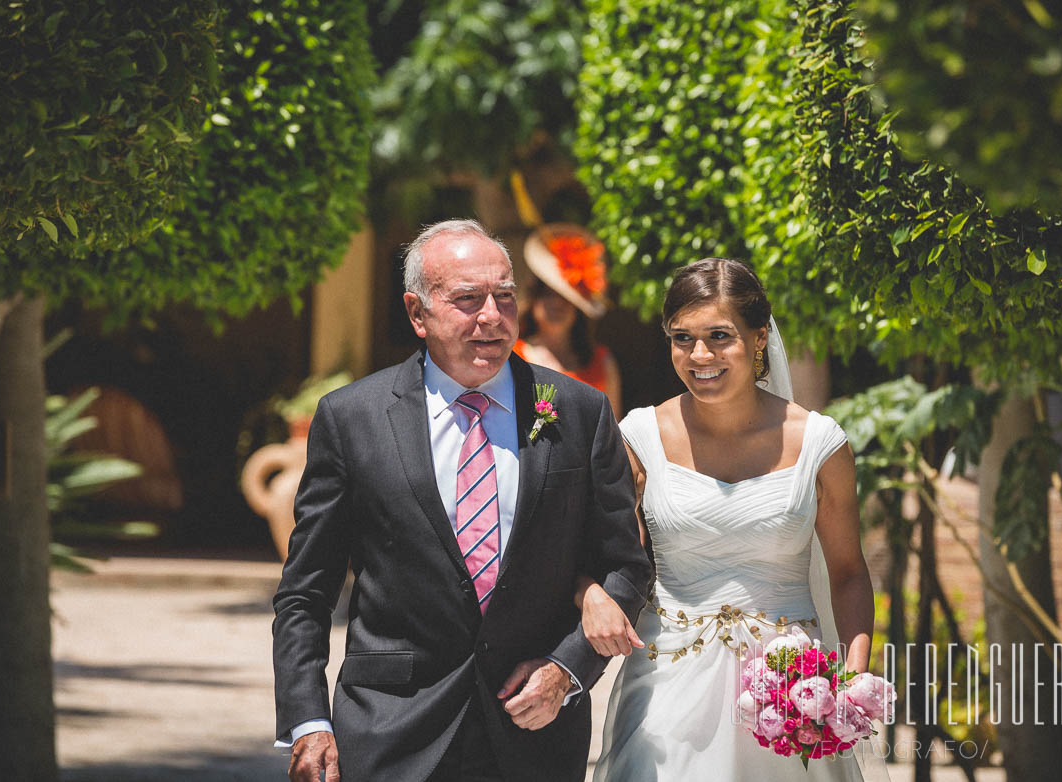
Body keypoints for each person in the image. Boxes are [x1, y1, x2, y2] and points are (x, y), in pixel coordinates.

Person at [272, 219, 653, 782]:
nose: (492, 317)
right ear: (416, 313)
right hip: (390, 731)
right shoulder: (352, 418)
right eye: (468, 300)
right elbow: (306, 591)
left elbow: (626, 564)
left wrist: (567, 671)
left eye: (504, 297)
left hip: (532, 737)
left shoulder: (577, 410)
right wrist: (308, 719)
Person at [578, 258, 876, 781]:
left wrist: (851, 678)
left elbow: (849, 572)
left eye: (720, 336)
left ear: (760, 338)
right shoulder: (640, 437)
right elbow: (589, 549)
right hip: (667, 687)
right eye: (682, 337)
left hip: (791, 692)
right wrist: (591, 594)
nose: (700, 355)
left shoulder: (821, 444)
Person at [514, 223, 623, 418]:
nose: (556, 303)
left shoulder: (602, 362)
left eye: (565, 296)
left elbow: (613, 433)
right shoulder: (511, 357)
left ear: (577, 307)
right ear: (534, 299)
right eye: (547, 293)